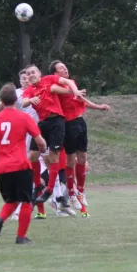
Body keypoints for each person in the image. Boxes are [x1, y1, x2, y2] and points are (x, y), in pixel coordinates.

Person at [0, 83, 47, 244]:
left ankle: (0, 219)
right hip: (21, 165)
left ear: (1, 101)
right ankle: (21, 237)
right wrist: (39, 151)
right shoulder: (24, 118)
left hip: (3, 167)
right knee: (26, 201)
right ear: (16, 99)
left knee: (11, 201)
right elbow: (40, 141)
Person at [48, 60, 110, 209]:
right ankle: (71, 193)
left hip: (80, 122)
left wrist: (98, 107)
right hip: (68, 125)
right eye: (61, 68)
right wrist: (71, 89)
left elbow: (81, 99)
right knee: (70, 161)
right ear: (55, 74)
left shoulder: (72, 83)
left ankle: (81, 191)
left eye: (65, 66)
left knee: (82, 159)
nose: (65, 68)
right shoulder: (55, 87)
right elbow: (56, 92)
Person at [21, 65, 83, 207]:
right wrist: (30, 100)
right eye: (28, 74)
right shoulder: (30, 90)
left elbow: (67, 82)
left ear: (39, 73)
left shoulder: (49, 80)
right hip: (42, 124)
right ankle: (38, 185)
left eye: (33, 72)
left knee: (53, 156)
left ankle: (49, 190)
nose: (30, 75)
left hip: (57, 122)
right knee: (33, 156)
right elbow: (24, 102)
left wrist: (75, 92)